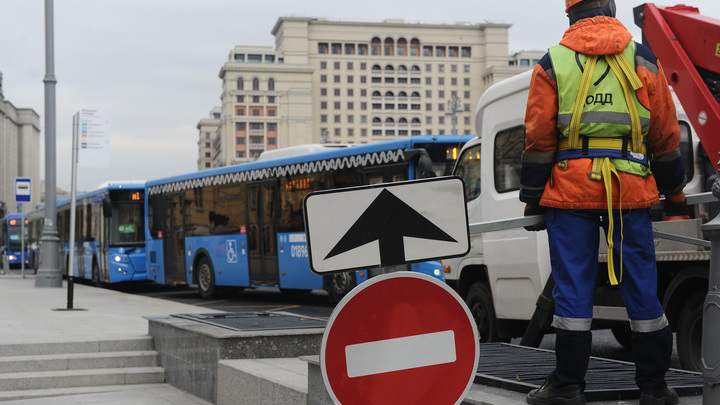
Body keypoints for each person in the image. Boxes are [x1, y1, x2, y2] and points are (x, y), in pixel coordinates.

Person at [519, 0, 687, 404]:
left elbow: (539, 140)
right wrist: (676, 194)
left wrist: (532, 199)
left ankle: (567, 385)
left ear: (571, 14)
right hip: (630, 189)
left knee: (573, 291)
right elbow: (664, 135)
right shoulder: (644, 58)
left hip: (570, 191)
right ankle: (654, 387)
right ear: (610, 8)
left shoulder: (552, 63)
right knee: (642, 288)